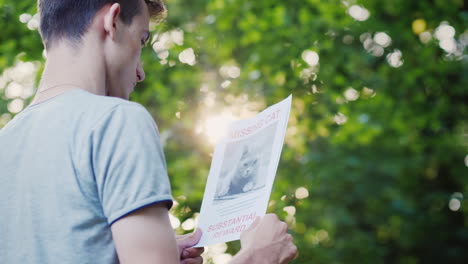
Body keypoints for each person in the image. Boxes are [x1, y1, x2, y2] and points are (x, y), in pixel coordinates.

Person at [0, 0, 298, 263]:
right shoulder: (117, 120)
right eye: (142, 41)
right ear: (112, 21)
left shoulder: (6, 142)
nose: (141, 72)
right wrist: (258, 256)